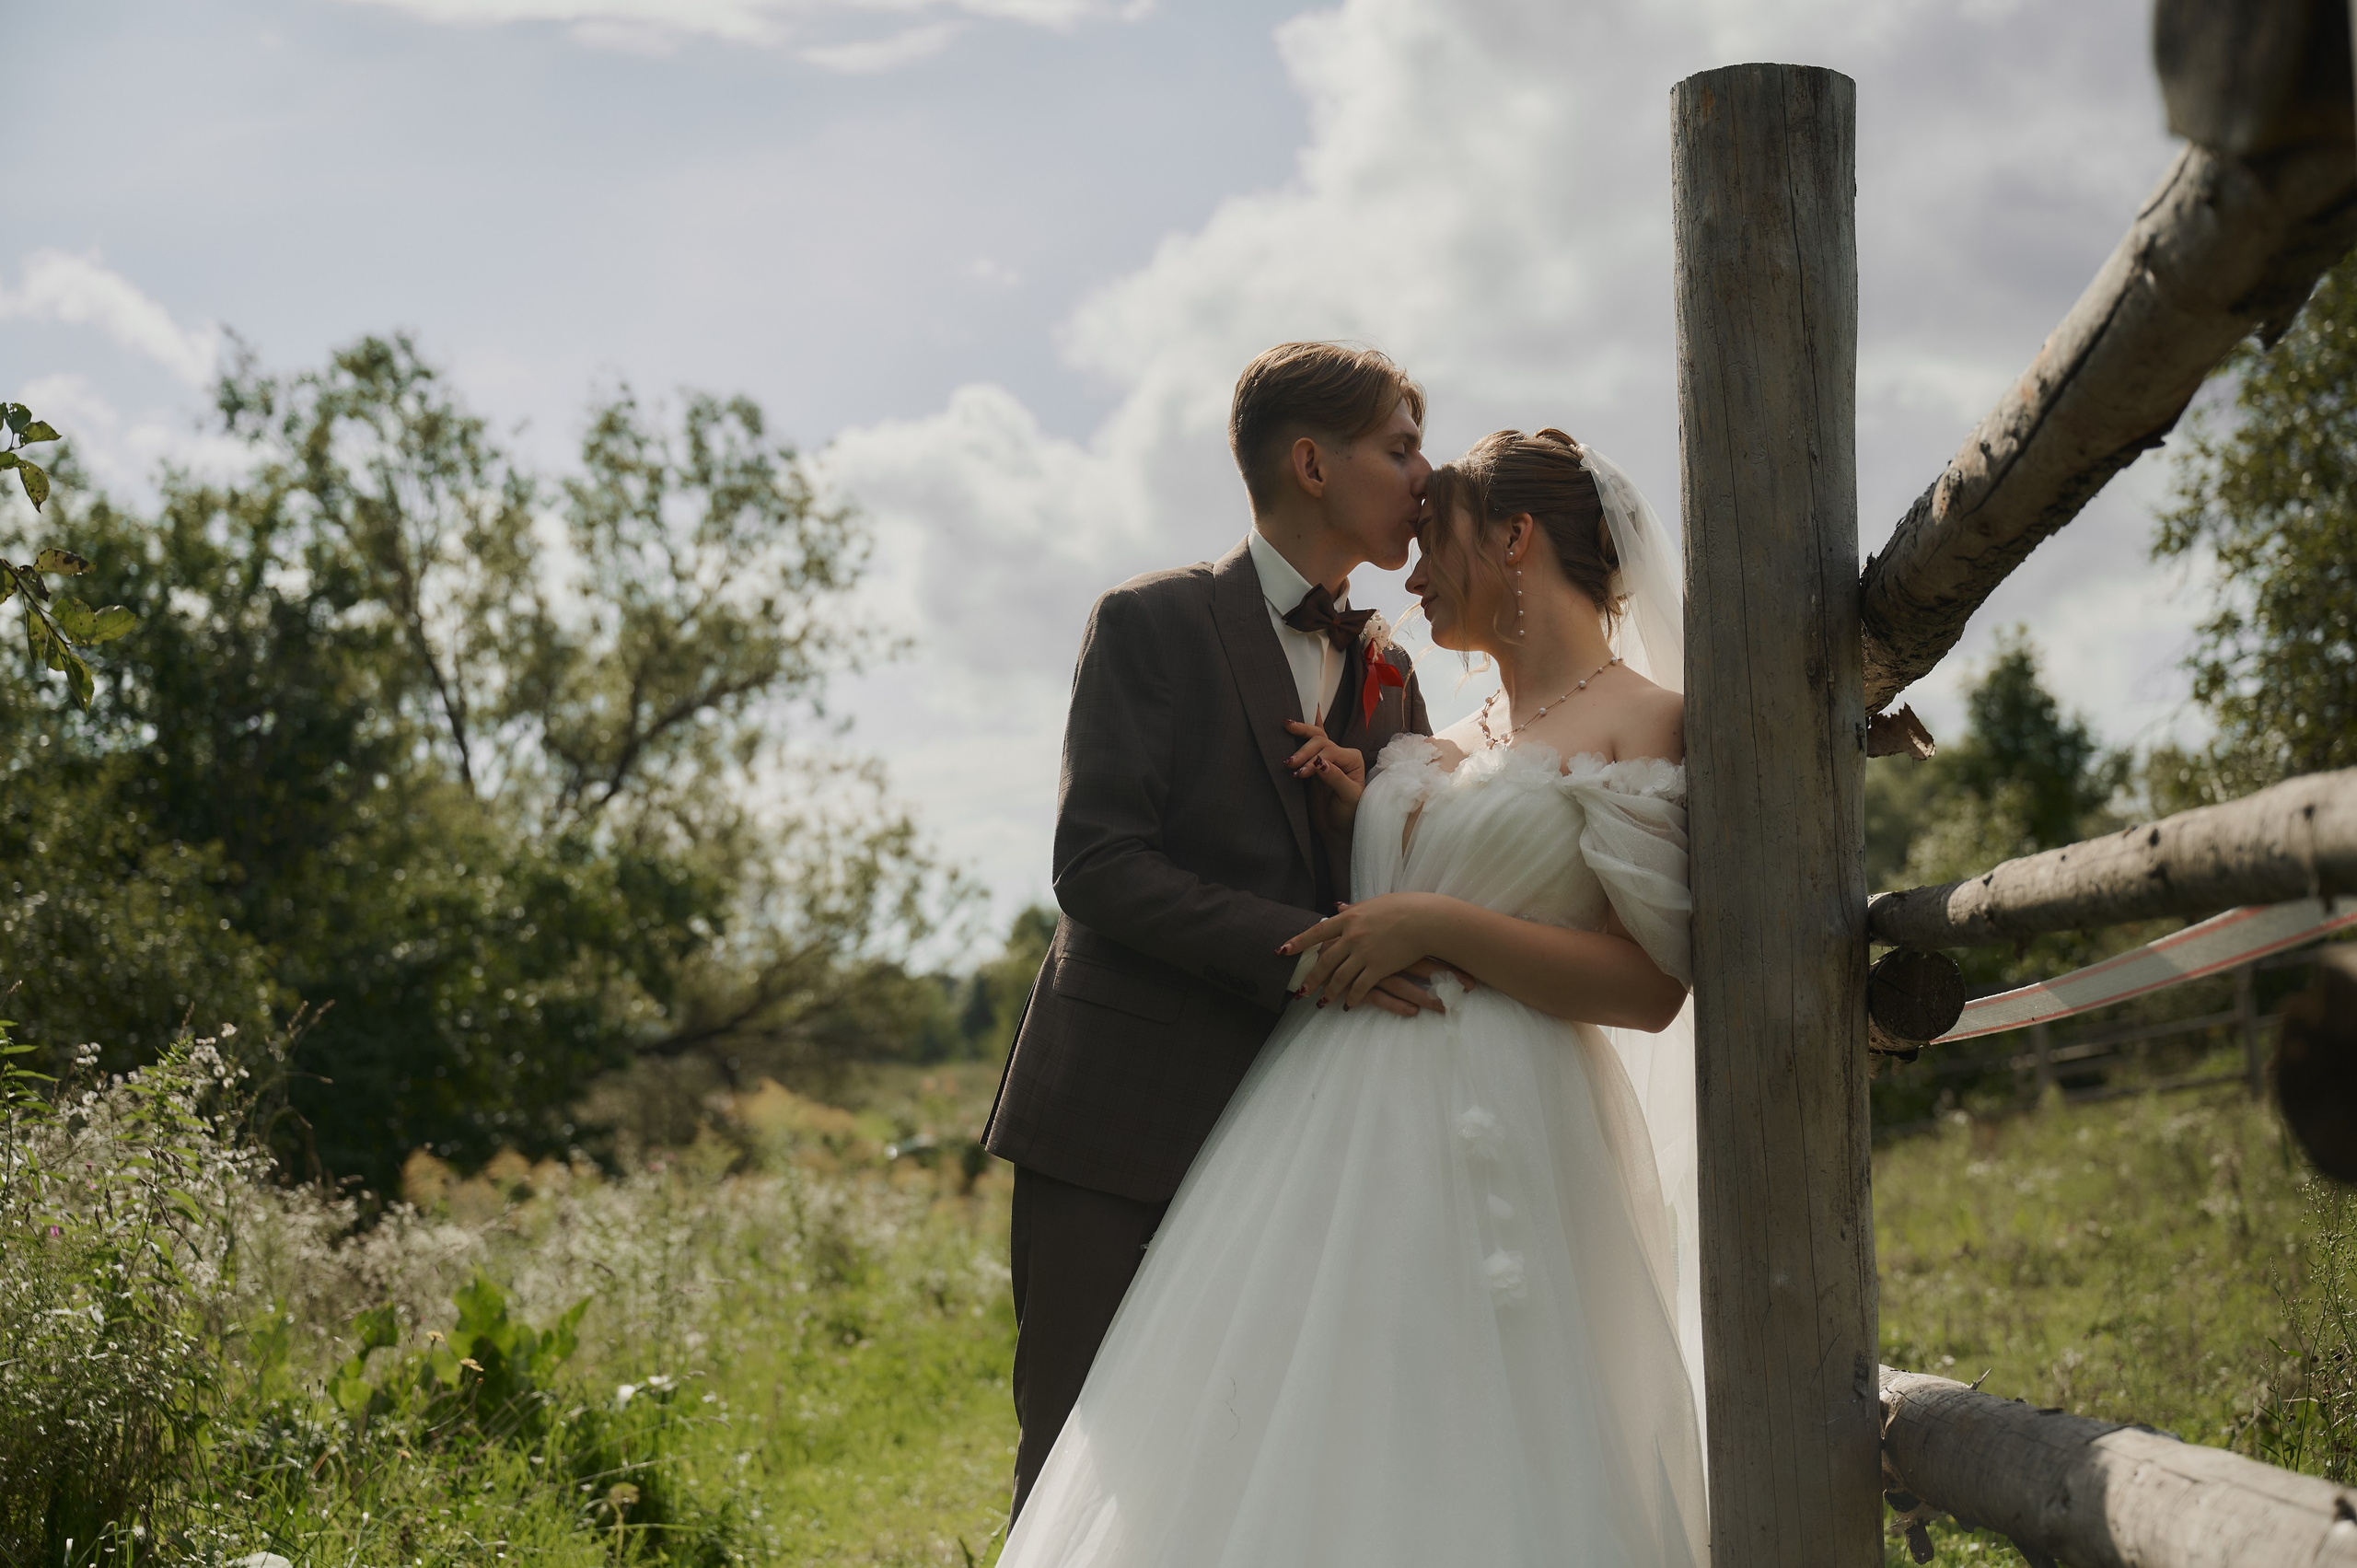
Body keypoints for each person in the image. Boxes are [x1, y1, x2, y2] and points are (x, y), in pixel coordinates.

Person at [996, 427, 1707, 1567]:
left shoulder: (1646, 719)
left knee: (1465, 1426)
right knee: (1276, 1427)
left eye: (1436, 544)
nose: (1411, 578)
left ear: (1516, 538)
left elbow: (1651, 986)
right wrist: (1366, 816)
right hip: (1316, 1116)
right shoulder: (1447, 734)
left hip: (1503, 1117)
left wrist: (1431, 921)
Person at [981, 342, 1447, 1518]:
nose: (1425, 477)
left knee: (1252, 1474)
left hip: (1304, 1129)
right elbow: (1098, 866)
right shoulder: (1149, 621)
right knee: (1076, 1462)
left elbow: (1403, 870)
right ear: (1311, 463)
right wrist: (1314, 952)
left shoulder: (1392, 672)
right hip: (1116, 1118)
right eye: (1400, 448)